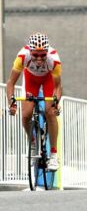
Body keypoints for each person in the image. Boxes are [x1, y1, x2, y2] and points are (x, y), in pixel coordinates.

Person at [6, 33, 62, 171]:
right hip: (30, 79)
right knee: (26, 115)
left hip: (48, 79)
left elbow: (57, 87)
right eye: (35, 55)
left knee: (50, 113)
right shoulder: (22, 57)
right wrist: (11, 103)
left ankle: (54, 154)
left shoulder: (53, 59)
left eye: (42, 55)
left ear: (47, 52)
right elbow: (10, 83)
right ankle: (32, 142)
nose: (39, 59)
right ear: (30, 51)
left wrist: (55, 103)